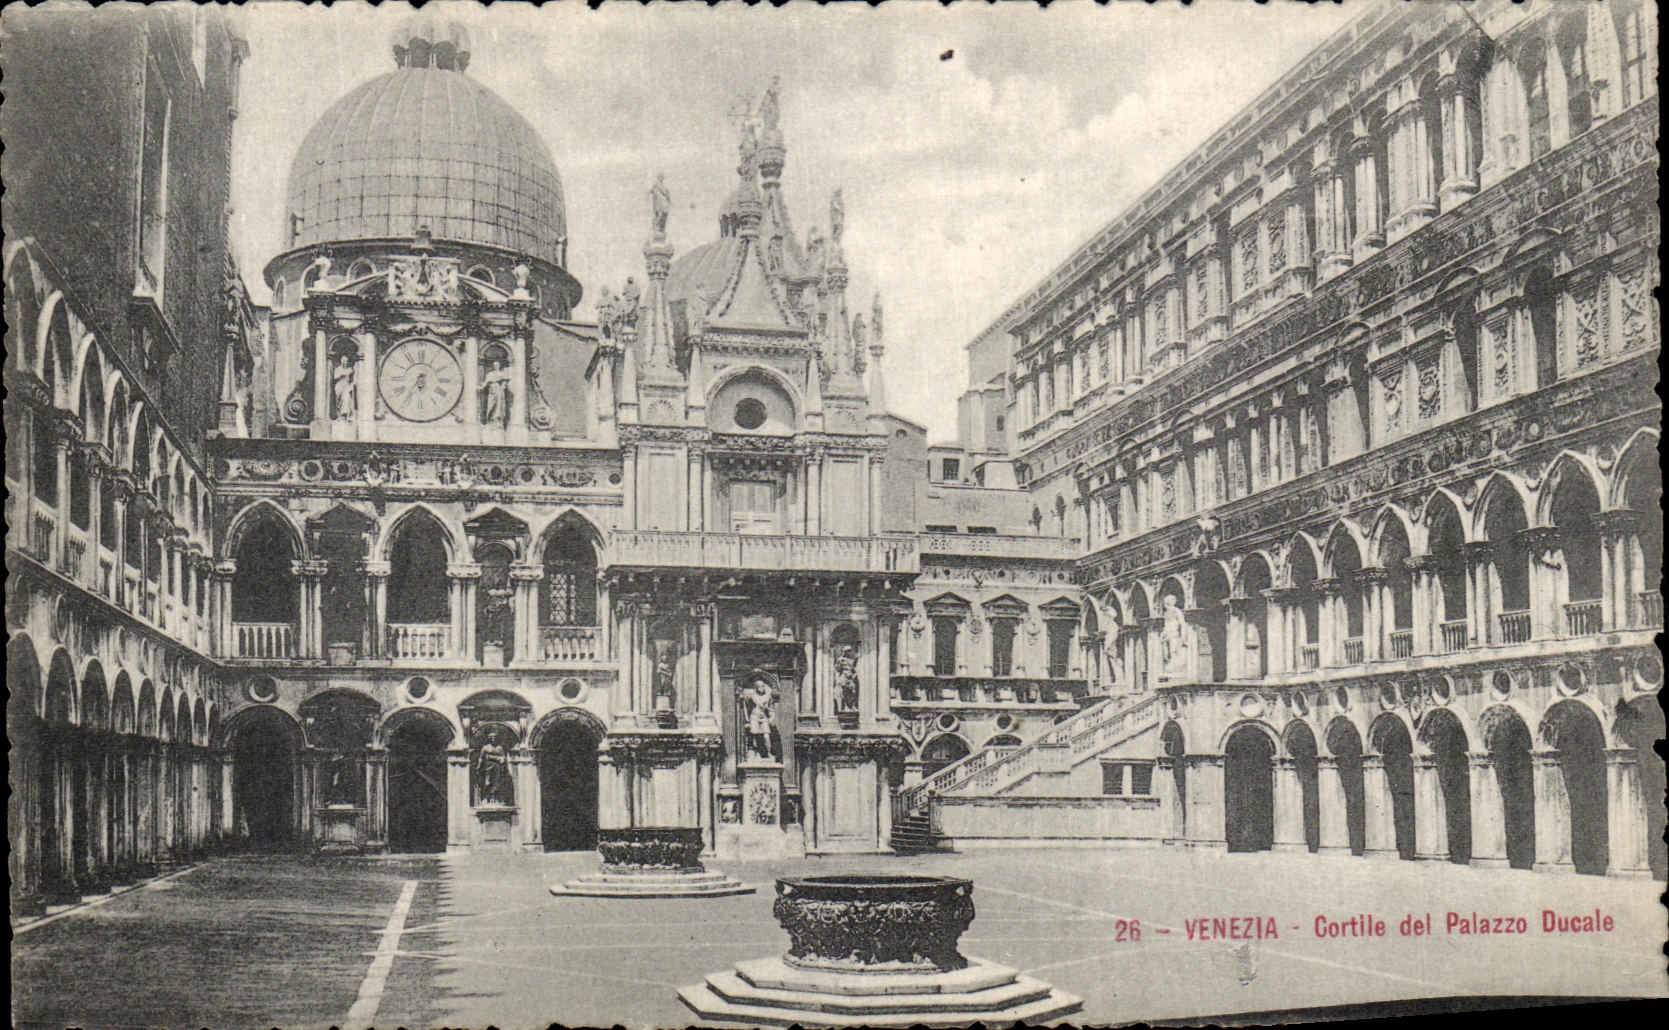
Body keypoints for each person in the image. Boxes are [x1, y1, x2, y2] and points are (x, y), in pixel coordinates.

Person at [740, 675, 777, 761]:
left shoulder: (767, 696)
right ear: (756, 688)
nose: (762, 688)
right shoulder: (752, 696)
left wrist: (771, 717)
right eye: (759, 686)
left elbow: (771, 709)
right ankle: (757, 753)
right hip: (754, 717)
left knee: (766, 736)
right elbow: (746, 706)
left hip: (763, 717)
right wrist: (747, 719)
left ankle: (768, 753)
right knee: (755, 736)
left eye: (763, 686)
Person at [482, 358, 512, 426]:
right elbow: (486, 382)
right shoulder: (490, 374)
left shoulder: (501, 373)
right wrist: (480, 387)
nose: (496, 366)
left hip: (499, 390)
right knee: (490, 405)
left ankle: (497, 420)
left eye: (497, 365)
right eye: (495, 365)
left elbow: (506, 380)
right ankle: (489, 420)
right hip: (492, 390)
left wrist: (503, 386)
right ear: (493, 366)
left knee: (499, 405)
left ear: (499, 365)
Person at [332, 354, 356, 420]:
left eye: (346, 361)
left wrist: (351, 385)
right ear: (341, 361)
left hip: (346, 387)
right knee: (339, 401)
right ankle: (339, 415)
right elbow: (335, 377)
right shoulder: (337, 369)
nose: (344, 362)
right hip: (339, 386)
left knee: (346, 399)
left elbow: (351, 376)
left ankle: (346, 416)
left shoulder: (349, 369)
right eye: (343, 360)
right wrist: (341, 374)